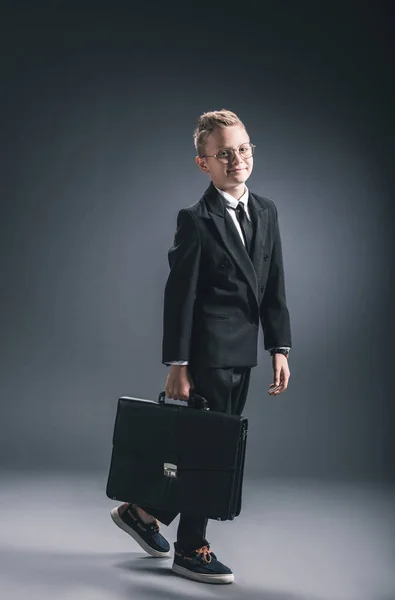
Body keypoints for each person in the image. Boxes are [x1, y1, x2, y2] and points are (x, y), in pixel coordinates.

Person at [110, 109, 292, 584]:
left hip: (245, 354)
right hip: (207, 353)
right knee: (207, 450)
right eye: (224, 153)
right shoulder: (196, 220)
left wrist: (280, 347)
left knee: (212, 447)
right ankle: (191, 546)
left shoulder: (266, 211)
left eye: (244, 148)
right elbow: (181, 297)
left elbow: (273, 285)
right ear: (203, 163)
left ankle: (142, 513)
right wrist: (179, 364)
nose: (237, 159)